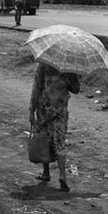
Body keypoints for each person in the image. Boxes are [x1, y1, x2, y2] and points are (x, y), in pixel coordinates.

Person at [29, 62, 80, 192]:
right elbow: (76, 89)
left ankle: (46, 173)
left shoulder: (44, 64)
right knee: (59, 141)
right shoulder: (70, 68)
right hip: (60, 108)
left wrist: (31, 109)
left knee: (44, 138)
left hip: (44, 107)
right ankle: (62, 175)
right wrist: (71, 77)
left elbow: (37, 87)